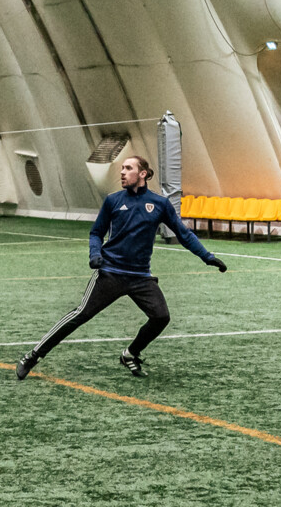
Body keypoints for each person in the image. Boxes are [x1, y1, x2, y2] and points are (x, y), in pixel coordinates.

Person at [16, 155, 226, 380]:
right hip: (110, 274)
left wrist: (207, 257)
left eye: (128, 168)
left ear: (142, 174)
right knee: (80, 314)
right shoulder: (113, 201)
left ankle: (130, 354)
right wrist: (95, 254)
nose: (122, 172)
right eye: (122, 168)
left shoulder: (160, 204)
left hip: (141, 277)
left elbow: (184, 234)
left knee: (161, 317)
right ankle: (32, 356)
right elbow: (96, 233)